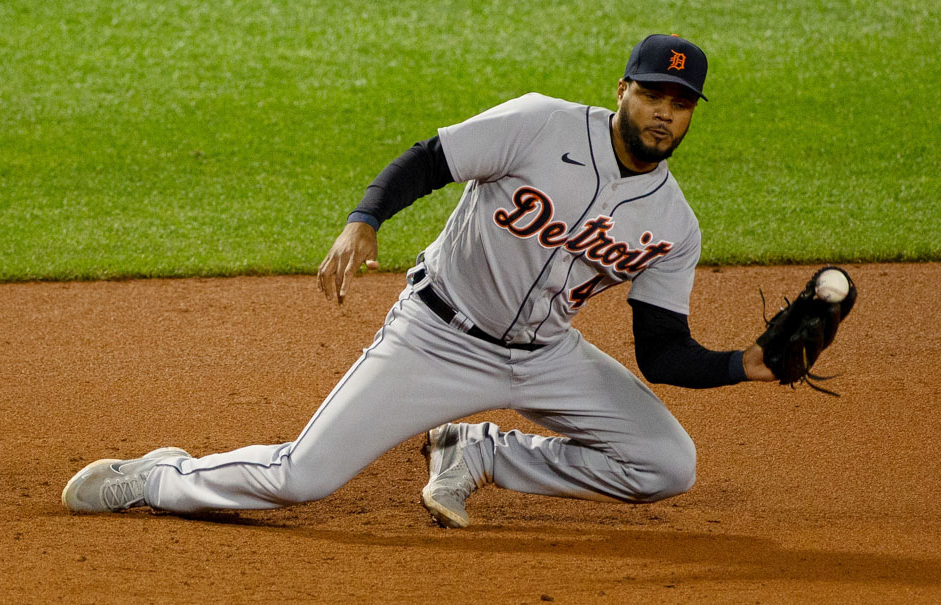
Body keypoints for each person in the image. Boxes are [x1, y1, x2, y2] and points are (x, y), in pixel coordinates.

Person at [62, 34, 775, 528]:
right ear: (622, 89)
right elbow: (431, 158)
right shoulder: (538, 124)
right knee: (300, 477)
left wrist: (746, 364)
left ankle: (480, 450)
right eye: (653, 94)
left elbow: (661, 350)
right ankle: (158, 477)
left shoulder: (675, 224)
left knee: (666, 465)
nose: (664, 113)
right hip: (439, 335)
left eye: (680, 104)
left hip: (547, 356)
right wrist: (364, 219)